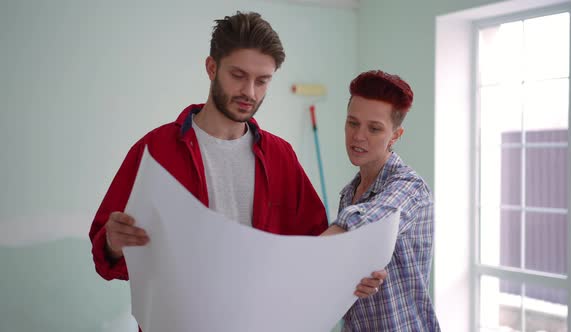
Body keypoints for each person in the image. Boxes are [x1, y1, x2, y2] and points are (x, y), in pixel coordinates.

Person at [88, 11, 385, 329]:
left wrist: (354, 274)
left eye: (262, 80)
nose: (250, 92)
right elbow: (107, 260)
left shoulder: (281, 157)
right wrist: (113, 244)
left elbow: (315, 254)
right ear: (212, 68)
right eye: (238, 76)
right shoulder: (155, 151)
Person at [321, 70, 440, 331]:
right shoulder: (349, 193)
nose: (358, 136)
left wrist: (305, 256)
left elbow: (375, 220)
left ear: (395, 136)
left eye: (374, 128)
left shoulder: (410, 188)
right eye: (353, 123)